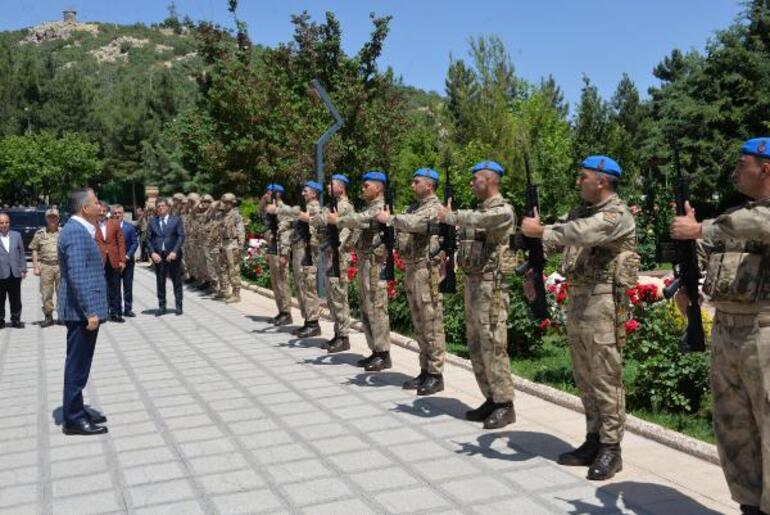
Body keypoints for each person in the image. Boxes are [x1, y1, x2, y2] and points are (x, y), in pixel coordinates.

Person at [521, 155, 637, 480]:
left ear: (601, 180)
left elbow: (583, 233)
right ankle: (593, 439)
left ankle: (611, 449)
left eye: (582, 176)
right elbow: (557, 243)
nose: (578, 182)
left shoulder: (616, 214)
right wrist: (533, 264)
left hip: (603, 304)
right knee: (585, 376)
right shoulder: (579, 213)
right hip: (578, 300)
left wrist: (543, 230)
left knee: (604, 376)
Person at [670, 138, 770, 515]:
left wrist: (700, 228)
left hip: (764, 332)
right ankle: (749, 504)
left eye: (742, 163)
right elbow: (709, 255)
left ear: (765, 168)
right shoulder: (733, 215)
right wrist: (685, 282)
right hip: (727, 330)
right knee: (734, 426)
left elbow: (758, 225)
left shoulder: (746, 218)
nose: (736, 170)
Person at [437, 160, 515, 429]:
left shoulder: (502, 211)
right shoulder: (476, 210)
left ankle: (505, 404)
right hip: (473, 283)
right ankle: (491, 398)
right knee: (476, 344)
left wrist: (450, 216)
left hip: (491, 286)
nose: (471, 183)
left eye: (476, 179)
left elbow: (481, 221)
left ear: (490, 180)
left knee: (493, 342)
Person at [376, 168, 447, 395]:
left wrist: (391, 219)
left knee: (431, 322)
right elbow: (402, 231)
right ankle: (425, 370)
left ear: (429, 185)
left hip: (427, 271)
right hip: (411, 269)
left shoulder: (435, 209)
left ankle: (436, 374)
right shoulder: (412, 208)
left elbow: (414, 224)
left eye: (416, 182)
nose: (411, 185)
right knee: (419, 322)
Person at [328, 171, 392, 371]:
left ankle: (383, 353)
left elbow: (359, 219)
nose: (363, 189)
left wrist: (338, 220)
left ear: (379, 188)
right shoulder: (370, 207)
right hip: (366, 263)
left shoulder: (380, 208)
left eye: (367, 186)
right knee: (367, 307)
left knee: (377, 307)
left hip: (375, 265)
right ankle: (375, 350)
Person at [58, 187, 109, 435]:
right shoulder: (76, 233)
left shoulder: (79, 229)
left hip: (81, 312)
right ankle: (73, 419)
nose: (101, 207)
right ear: (85, 208)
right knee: (77, 366)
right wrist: (90, 312)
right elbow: (78, 276)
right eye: (97, 203)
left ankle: (76, 408)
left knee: (80, 364)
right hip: (81, 314)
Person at [268, 180, 323, 338]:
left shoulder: (315, 208)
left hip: (307, 251)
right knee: (301, 286)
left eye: (306, 191)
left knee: (308, 287)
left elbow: (311, 221)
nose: (303, 193)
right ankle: (307, 321)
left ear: (313, 193)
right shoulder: (304, 207)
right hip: (298, 249)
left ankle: (313, 323)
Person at [311, 174, 354, 352]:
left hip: (338, 256)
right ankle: (337, 334)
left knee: (339, 297)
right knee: (331, 297)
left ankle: (343, 336)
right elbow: (317, 220)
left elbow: (346, 230)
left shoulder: (344, 206)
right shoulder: (331, 206)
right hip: (330, 255)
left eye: (332, 185)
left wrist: (324, 216)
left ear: (341, 187)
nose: (328, 188)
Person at [260, 184, 294, 326]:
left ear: (278, 194)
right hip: (273, 247)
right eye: (267, 190)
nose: (267, 193)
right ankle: (281, 310)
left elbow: (285, 233)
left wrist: (284, 254)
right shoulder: (270, 209)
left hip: (280, 248)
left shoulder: (283, 210)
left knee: (282, 280)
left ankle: (286, 312)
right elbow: (263, 216)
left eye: (270, 191)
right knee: (275, 281)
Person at [146, 198, 185, 315]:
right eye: (158, 206)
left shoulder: (176, 220)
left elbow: (181, 236)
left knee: (176, 280)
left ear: (168, 207)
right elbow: (148, 239)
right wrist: (152, 253)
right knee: (160, 281)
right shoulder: (152, 221)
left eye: (163, 206)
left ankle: (178, 306)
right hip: (159, 256)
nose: (160, 208)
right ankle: (162, 306)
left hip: (173, 255)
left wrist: (174, 251)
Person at [95, 202, 126, 323]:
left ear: (107, 212)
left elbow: (121, 243)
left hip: (114, 260)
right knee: (101, 288)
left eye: (103, 211)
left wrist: (122, 260)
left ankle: (116, 313)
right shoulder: (92, 224)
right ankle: (102, 313)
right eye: (100, 211)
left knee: (115, 288)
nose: (101, 213)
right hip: (99, 261)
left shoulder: (115, 223)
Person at [29, 208, 61, 327]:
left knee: (62, 292)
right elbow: (34, 250)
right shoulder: (39, 234)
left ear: (58, 218)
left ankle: (62, 316)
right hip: (46, 266)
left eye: (55, 217)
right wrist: (36, 267)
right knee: (46, 293)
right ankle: (48, 316)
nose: (52, 219)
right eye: (50, 217)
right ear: (46, 219)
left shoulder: (63, 232)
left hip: (60, 266)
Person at [0, 212, 27, 329]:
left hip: (15, 273)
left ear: (9, 223)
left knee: (15, 299)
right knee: (0, 299)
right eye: (1, 223)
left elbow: (21, 253)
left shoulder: (17, 235)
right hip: (1, 273)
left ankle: (16, 320)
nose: (4, 225)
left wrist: (23, 268)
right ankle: (0, 321)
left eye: (6, 222)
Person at [111, 204, 138, 318]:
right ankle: (116, 309)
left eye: (119, 213)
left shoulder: (130, 227)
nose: (117, 215)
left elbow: (134, 243)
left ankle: (128, 308)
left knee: (128, 286)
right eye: (115, 213)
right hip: (114, 262)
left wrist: (127, 256)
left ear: (123, 214)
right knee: (114, 287)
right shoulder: (109, 227)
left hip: (128, 261)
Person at [220, 193, 246, 303]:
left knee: (233, 269)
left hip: (232, 242)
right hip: (223, 243)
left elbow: (241, 230)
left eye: (228, 202)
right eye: (224, 202)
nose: (226, 204)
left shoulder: (236, 215)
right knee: (223, 268)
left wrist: (240, 245)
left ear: (232, 203)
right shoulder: (221, 215)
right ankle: (225, 291)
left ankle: (236, 294)